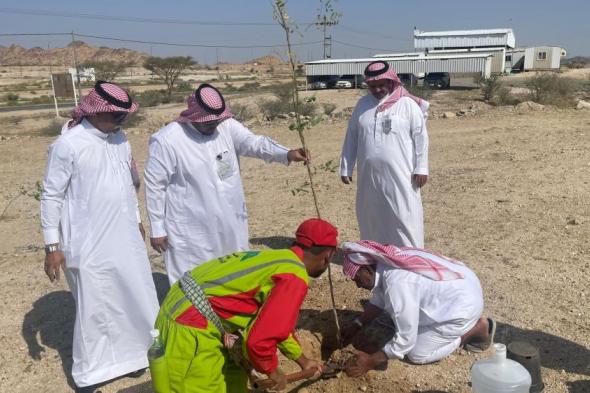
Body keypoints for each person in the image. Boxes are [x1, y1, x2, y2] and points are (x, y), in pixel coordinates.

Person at [40, 81, 160, 392]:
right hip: (86, 240)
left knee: (135, 294)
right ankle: (95, 370)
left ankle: (137, 357)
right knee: (97, 305)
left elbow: (129, 184)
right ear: (95, 112)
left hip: (124, 235)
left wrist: (136, 220)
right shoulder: (67, 145)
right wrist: (52, 246)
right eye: (116, 116)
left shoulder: (121, 140)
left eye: (124, 117)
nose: (121, 122)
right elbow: (51, 196)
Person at [145, 83, 310, 284]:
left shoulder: (225, 125)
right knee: (194, 280)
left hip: (230, 220)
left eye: (217, 120)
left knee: (233, 272)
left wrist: (286, 153)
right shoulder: (167, 140)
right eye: (208, 122)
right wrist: (157, 228)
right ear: (193, 116)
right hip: (192, 228)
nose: (213, 125)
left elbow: (253, 143)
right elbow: (155, 185)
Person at [152, 218, 339, 392]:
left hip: (185, 309)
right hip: (190, 326)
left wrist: (304, 361)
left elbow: (277, 326)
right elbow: (258, 340)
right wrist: (273, 371)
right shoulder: (294, 276)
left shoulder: (277, 259)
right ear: (327, 256)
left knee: (233, 381)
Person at [340, 240, 495, 376]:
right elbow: (380, 299)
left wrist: (371, 361)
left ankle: (473, 330)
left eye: (358, 279)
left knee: (416, 354)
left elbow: (405, 339)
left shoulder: (397, 283)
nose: (358, 285)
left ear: (368, 269)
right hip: (463, 285)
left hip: (463, 308)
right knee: (397, 316)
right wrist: (357, 324)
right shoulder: (384, 265)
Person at [339, 61, 430, 248]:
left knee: (404, 214)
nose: (378, 89)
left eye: (381, 85)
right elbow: (352, 136)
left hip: (401, 175)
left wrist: (421, 167)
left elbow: (421, 138)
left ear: (390, 82)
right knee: (371, 215)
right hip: (369, 176)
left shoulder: (407, 105)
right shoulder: (362, 105)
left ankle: (410, 256)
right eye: (373, 86)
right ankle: (377, 254)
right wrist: (346, 166)